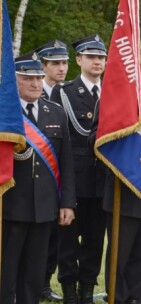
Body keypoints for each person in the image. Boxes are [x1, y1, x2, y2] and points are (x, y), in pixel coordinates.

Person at [1, 52, 76, 303]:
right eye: (27, 78)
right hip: (10, 205)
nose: (35, 83)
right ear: (15, 80)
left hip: (44, 206)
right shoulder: (5, 115)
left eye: (38, 78)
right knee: (6, 270)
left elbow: (66, 163)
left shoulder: (55, 112)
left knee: (34, 272)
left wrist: (67, 203)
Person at [89, 95, 141, 303]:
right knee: (120, 254)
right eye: (140, 70)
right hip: (123, 189)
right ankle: (118, 297)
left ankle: (137, 296)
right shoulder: (112, 99)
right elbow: (94, 141)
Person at [50, 34, 108, 303]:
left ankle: (87, 288)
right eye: (92, 57)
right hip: (73, 178)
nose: (98, 62)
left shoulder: (112, 93)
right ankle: (70, 288)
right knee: (68, 239)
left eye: (101, 57)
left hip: (103, 180)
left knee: (95, 240)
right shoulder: (64, 92)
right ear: (79, 60)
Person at [34, 39, 70, 303]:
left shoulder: (65, 94)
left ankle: (45, 282)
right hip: (33, 180)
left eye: (64, 63)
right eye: (55, 63)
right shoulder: (32, 94)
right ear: (42, 66)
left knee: (55, 240)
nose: (61, 68)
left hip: (59, 178)